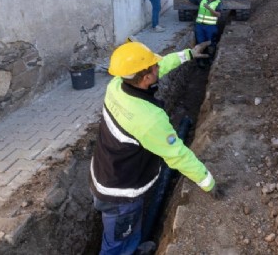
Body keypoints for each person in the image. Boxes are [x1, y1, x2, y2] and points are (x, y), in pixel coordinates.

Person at [89, 40, 219, 254]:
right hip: (121, 193)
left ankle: (134, 247)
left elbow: (160, 66)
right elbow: (177, 155)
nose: (159, 66)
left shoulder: (116, 86)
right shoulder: (149, 119)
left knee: (125, 231)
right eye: (154, 66)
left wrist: (188, 54)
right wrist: (207, 182)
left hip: (105, 172)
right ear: (146, 78)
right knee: (115, 245)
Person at [191, 0, 223, 66]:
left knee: (211, 43)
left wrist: (209, 9)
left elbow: (218, 15)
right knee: (200, 43)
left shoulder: (218, 2)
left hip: (210, 27)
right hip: (200, 26)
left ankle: (210, 59)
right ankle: (201, 61)